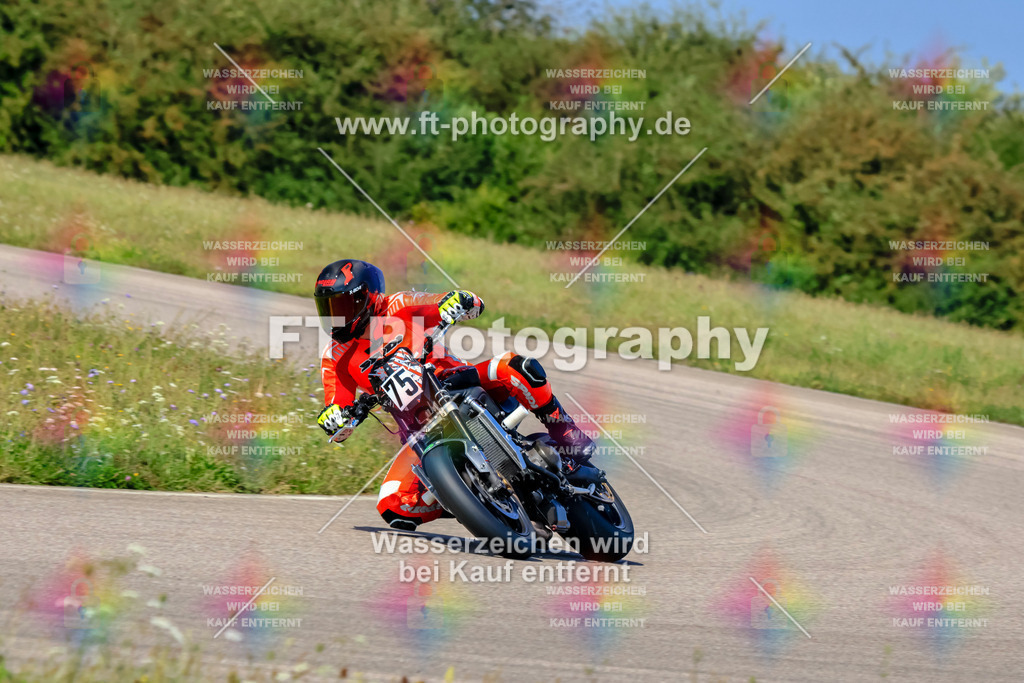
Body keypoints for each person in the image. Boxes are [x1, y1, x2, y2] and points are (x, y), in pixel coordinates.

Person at [313, 258, 595, 531]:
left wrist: (458, 301)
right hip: (419, 431)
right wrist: (335, 418)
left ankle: (565, 432)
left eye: (343, 305)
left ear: (368, 297)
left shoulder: (398, 306)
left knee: (516, 366)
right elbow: (338, 405)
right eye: (328, 308)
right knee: (393, 505)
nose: (336, 317)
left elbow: (454, 300)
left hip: (457, 384)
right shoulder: (334, 356)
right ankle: (469, 498)